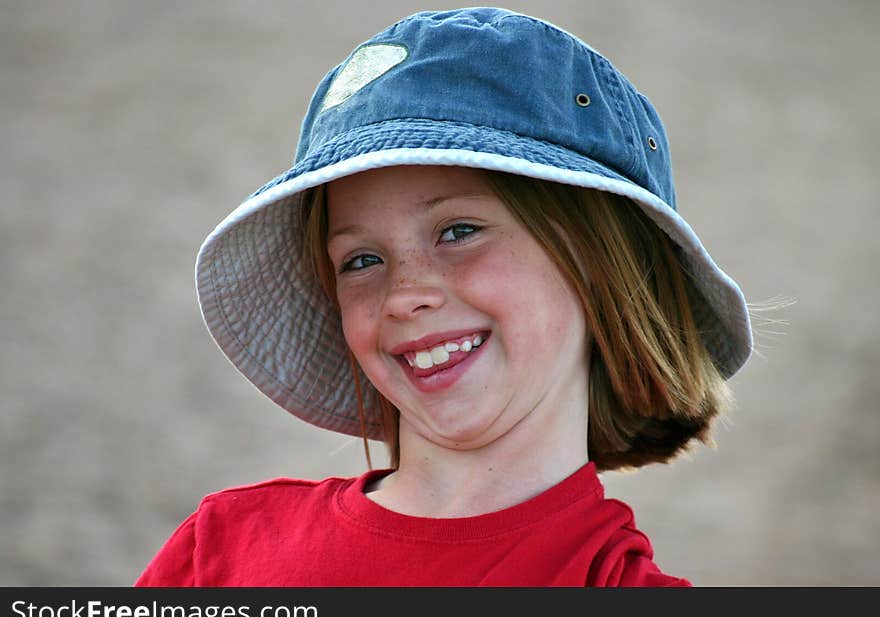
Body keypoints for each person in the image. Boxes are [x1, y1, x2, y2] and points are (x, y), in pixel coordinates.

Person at [135, 7, 754, 587]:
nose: (404, 296)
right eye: (361, 260)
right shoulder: (223, 551)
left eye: (458, 232)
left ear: (604, 267)